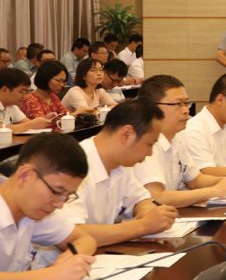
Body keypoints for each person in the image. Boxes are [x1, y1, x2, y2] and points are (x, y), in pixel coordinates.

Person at [61, 101, 180, 246]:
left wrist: (147, 212)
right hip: (64, 259)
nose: (150, 153)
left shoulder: (121, 164)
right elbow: (70, 235)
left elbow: (140, 200)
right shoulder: (72, 165)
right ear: (127, 134)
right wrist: (142, 226)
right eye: (149, 144)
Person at [0, 133, 99, 280]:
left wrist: (67, 261)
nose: (59, 204)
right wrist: (56, 274)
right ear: (25, 175)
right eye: (57, 192)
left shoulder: (33, 209)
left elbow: (85, 240)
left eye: (67, 196)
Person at [133, 75, 226, 208]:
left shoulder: (176, 138)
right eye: (178, 104)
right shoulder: (143, 143)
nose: (186, 110)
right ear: (152, 107)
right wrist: (215, 191)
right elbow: (156, 197)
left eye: (186, 103)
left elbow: (196, 180)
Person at [18, 61, 70, 130]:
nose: (62, 85)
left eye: (63, 82)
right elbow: (43, 125)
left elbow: (67, 115)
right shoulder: (30, 99)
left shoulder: (53, 96)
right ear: (46, 78)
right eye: (58, 81)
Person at [0, 69, 56, 133]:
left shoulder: (12, 106)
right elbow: (1, 129)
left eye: (26, 92)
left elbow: (28, 123)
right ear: (5, 90)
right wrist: (32, 124)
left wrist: (44, 120)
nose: (24, 96)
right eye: (21, 92)